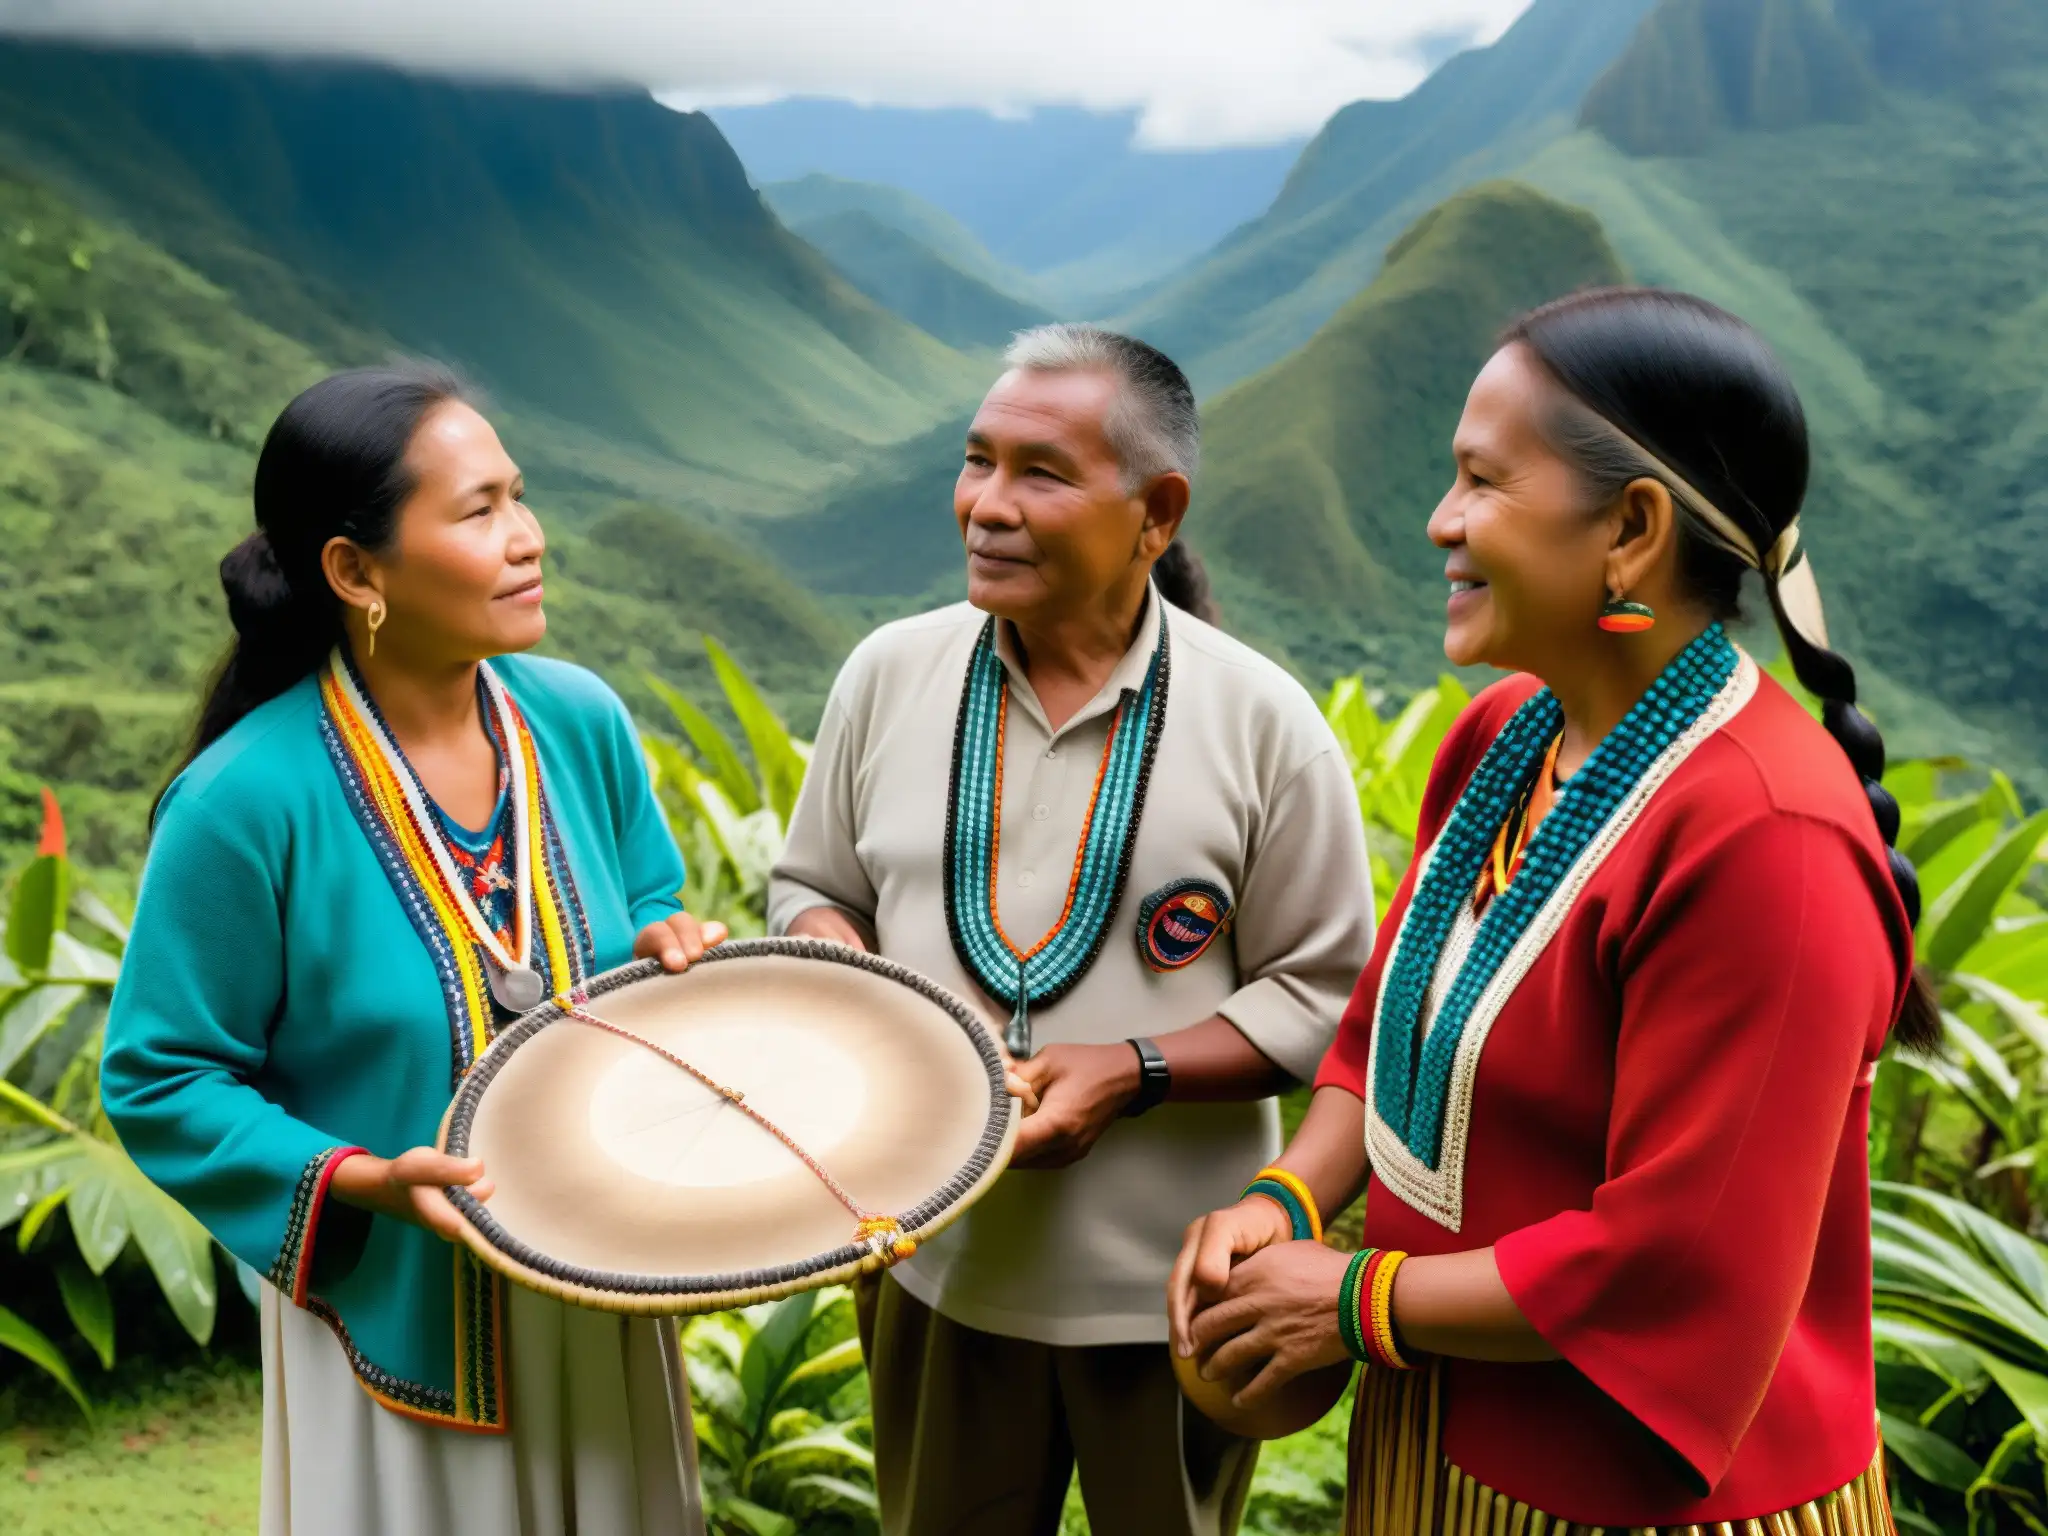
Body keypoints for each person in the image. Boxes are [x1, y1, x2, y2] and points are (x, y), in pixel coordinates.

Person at [1170, 288, 1931, 1534]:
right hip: (1444, 1434)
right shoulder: (1500, 742)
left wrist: (1353, 1302)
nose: (1438, 523)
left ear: (1627, 529)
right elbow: (1385, 1042)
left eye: (1480, 481)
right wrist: (1286, 1202)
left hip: (1642, 1499)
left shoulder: (1766, 841)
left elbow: (1677, 1257)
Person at [767, 323, 1375, 1536]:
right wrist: (860, 991)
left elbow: (1326, 999)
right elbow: (810, 887)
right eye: (975, 461)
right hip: (931, 1260)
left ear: (1155, 512)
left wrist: (1131, 1071)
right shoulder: (888, 675)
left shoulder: (1261, 721)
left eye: (1038, 473)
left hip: (1175, 1294)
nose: (986, 506)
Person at [101, 366, 722, 1536]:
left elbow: (646, 894)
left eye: (519, 496)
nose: (527, 537)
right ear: (354, 570)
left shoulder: (576, 718)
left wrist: (662, 945)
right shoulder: (243, 801)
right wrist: (362, 1184)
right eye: (477, 510)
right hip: (400, 1310)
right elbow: (161, 1073)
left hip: (600, 1280)